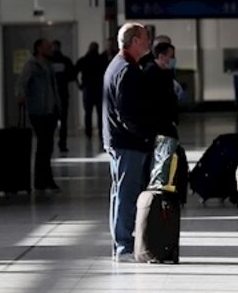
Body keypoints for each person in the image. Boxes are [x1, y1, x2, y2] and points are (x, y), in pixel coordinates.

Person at [103, 22, 155, 262]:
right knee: (126, 193)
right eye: (145, 38)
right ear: (135, 41)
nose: (148, 42)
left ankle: (120, 243)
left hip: (117, 140)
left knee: (119, 192)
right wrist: (144, 135)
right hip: (128, 143)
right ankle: (123, 245)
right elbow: (127, 113)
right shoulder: (128, 70)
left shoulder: (116, 65)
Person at [16, 38, 61, 192]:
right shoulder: (31, 65)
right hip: (38, 111)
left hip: (50, 111)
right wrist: (20, 96)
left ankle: (46, 179)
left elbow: (53, 87)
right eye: (47, 47)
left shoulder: (48, 65)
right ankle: (41, 180)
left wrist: (58, 106)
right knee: (43, 146)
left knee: (47, 147)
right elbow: (21, 82)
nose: (50, 49)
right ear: (39, 48)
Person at [142, 42, 179, 139]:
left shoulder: (166, 72)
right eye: (171, 56)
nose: (173, 59)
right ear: (161, 57)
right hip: (157, 125)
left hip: (167, 123)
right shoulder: (150, 74)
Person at [76, 42, 108, 139]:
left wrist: (79, 84)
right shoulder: (101, 60)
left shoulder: (84, 60)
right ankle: (101, 132)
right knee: (100, 113)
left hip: (88, 89)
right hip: (99, 89)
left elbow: (74, 72)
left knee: (88, 113)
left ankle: (88, 133)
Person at [50, 40, 76, 152]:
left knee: (51, 121)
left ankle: (50, 144)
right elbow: (72, 75)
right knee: (63, 120)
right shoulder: (66, 60)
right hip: (63, 94)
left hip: (51, 96)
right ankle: (62, 144)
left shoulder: (48, 61)